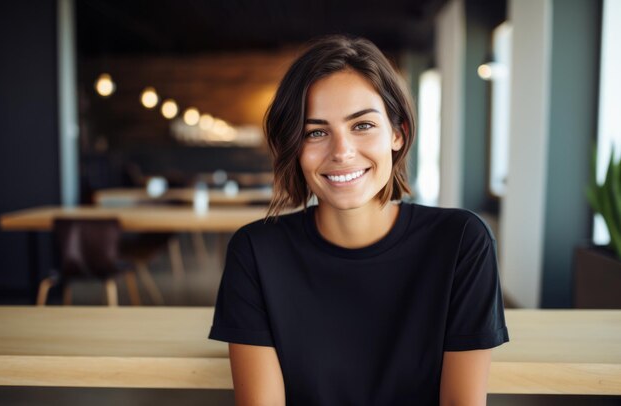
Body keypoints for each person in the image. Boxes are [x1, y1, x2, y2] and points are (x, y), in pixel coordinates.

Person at [208, 35, 509, 406]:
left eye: (362, 125)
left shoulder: (461, 241)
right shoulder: (256, 251)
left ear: (398, 134)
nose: (342, 152)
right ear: (294, 147)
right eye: (315, 132)